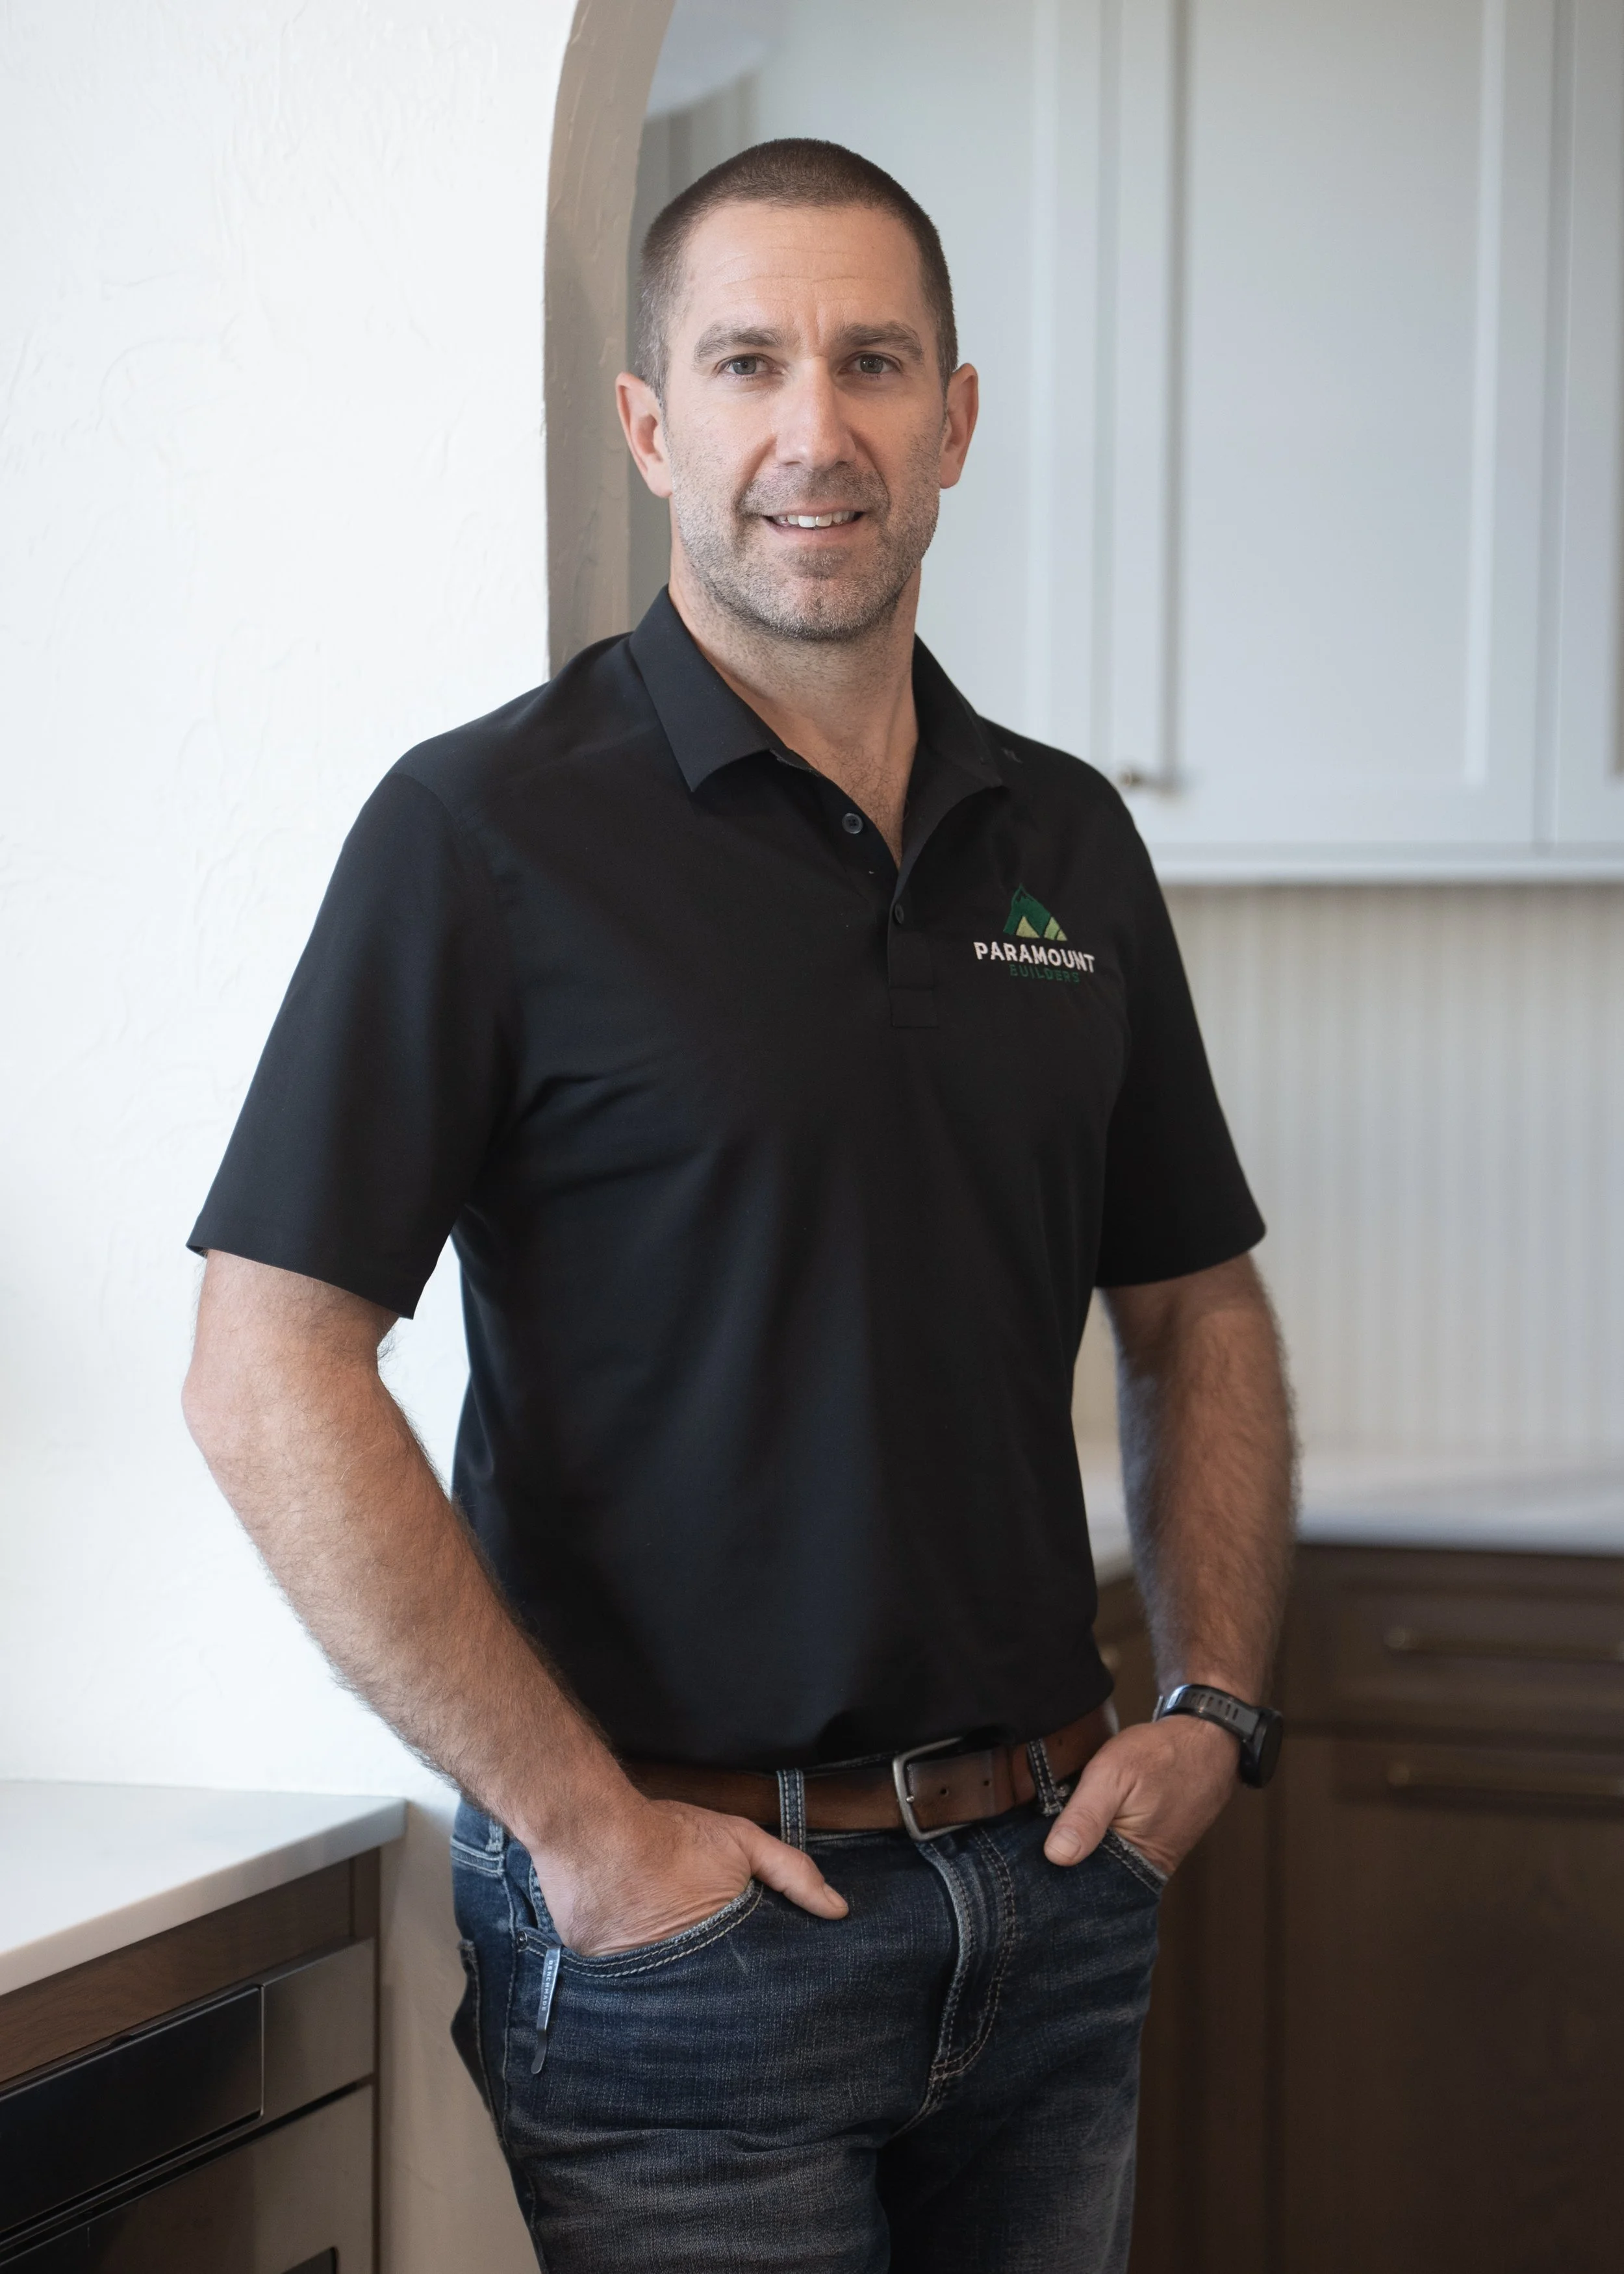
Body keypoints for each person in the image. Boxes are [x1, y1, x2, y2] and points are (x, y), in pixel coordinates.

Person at [183, 138, 1293, 2274]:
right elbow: (266, 1363)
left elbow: (1197, 1307)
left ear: (954, 419)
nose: (816, 429)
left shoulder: (1062, 837)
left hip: (1049, 1898)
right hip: (693, 1960)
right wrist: (581, 1833)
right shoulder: (480, 832)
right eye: (749, 361)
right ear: (650, 423)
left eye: (874, 363)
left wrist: (1213, 1702)